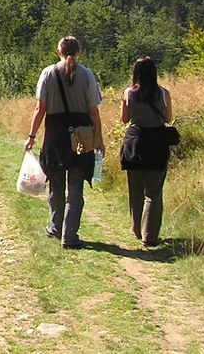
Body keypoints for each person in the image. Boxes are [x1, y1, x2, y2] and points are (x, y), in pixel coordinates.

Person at [25, 36, 104, 249]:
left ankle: (55, 227)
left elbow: (40, 109)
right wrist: (99, 139)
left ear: (59, 51)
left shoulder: (48, 73)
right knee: (76, 187)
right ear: (78, 52)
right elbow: (94, 112)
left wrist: (31, 136)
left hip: (55, 136)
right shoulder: (87, 75)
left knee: (56, 185)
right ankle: (70, 235)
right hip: (81, 136)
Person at [120, 56, 172, 247]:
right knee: (153, 192)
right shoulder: (164, 93)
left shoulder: (128, 93)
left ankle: (135, 228)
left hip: (134, 142)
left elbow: (124, 119)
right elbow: (168, 118)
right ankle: (149, 235)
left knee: (135, 190)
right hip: (157, 143)